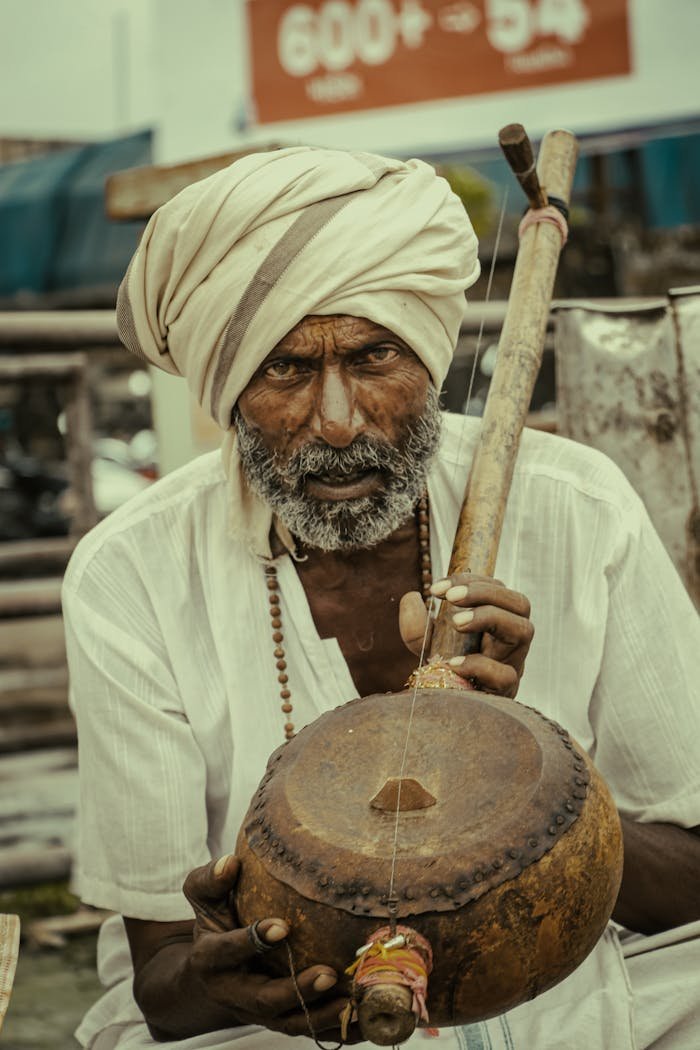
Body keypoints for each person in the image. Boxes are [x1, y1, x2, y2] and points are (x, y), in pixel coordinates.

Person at [62, 147, 700, 1050]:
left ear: (432, 361)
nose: (337, 420)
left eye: (373, 357)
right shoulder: (130, 574)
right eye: (285, 369)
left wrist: (524, 779)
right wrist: (233, 974)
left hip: (560, 1000)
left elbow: (694, 874)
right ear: (230, 390)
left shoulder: (578, 506)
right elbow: (166, 983)